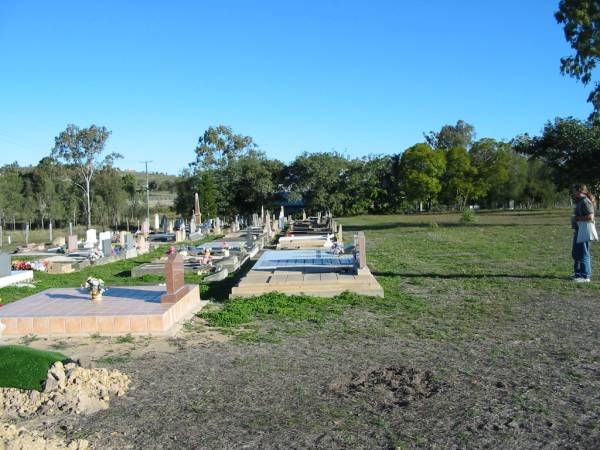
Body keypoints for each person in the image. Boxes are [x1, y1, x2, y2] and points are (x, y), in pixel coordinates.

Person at [571, 184, 596, 282]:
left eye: (574, 191)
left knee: (583, 253)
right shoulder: (579, 202)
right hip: (579, 230)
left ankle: (586, 276)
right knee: (576, 253)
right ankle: (578, 274)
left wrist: (576, 218)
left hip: (584, 231)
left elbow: (591, 217)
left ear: (580, 191)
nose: (573, 193)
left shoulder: (586, 202)